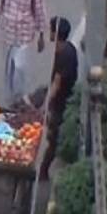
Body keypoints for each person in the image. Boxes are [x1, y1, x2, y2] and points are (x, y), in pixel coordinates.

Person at [39, 16, 78, 180]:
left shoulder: (63, 55)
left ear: (56, 34)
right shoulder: (68, 48)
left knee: (53, 137)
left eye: (51, 29)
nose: (49, 32)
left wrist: (45, 105)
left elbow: (57, 83)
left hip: (61, 101)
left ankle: (43, 170)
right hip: (62, 96)